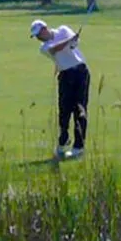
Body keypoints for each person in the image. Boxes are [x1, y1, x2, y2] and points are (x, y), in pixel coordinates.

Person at [30, 18, 90, 157]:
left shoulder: (63, 29)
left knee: (80, 109)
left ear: (45, 28)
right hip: (65, 75)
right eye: (36, 36)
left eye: (39, 34)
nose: (39, 38)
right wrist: (70, 40)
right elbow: (55, 49)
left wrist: (73, 39)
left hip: (81, 72)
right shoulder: (43, 47)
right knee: (64, 110)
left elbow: (74, 44)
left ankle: (79, 146)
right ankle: (63, 140)